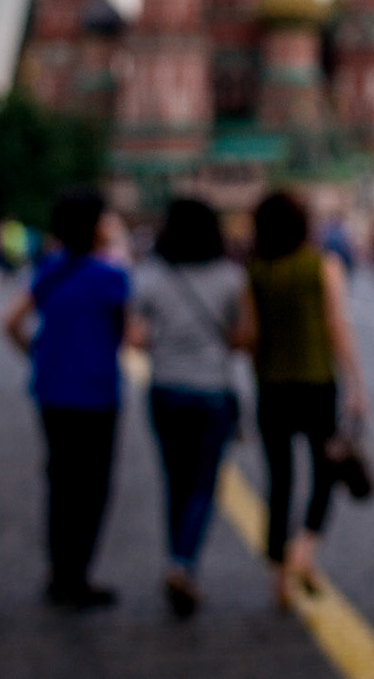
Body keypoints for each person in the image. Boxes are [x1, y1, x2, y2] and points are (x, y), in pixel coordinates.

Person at [2, 187, 129, 609]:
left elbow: (10, 322)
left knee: (60, 483)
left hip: (52, 391)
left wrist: (39, 355)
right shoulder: (111, 276)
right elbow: (130, 334)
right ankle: (79, 575)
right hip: (96, 394)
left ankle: (58, 572)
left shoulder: (50, 269)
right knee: (92, 487)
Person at [127, 197, 253, 618]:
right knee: (203, 484)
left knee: (174, 482)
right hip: (212, 390)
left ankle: (175, 559)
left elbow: (135, 338)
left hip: (165, 388)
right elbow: (245, 337)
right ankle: (183, 563)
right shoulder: (231, 278)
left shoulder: (152, 276)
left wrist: (168, 341)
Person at [247, 190, 366, 609]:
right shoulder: (323, 265)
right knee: (324, 474)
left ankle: (279, 575)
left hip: (271, 386)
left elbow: (250, 334)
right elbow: (337, 327)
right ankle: (305, 550)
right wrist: (356, 384)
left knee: (279, 480)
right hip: (317, 384)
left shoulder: (255, 269)